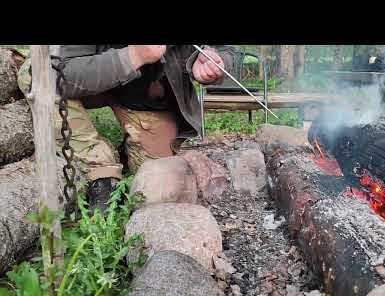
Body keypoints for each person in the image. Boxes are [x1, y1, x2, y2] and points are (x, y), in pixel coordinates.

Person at [17, 45, 237, 210]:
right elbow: (57, 71)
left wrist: (211, 59)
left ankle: (124, 151)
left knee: (158, 189)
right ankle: (101, 170)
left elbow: (229, 51)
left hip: (145, 99)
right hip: (91, 77)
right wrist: (133, 56)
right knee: (36, 72)